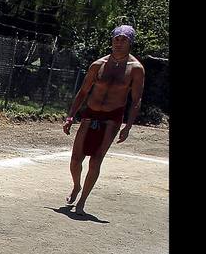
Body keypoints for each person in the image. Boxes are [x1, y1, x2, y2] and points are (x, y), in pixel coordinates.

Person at [62, 25, 144, 215]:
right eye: (116, 39)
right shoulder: (98, 64)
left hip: (112, 117)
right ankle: (76, 186)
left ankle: (82, 201)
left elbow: (136, 100)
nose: (119, 43)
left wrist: (128, 126)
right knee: (76, 159)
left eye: (124, 40)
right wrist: (70, 116)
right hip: (91, 113)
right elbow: (83, 91)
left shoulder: (136, 69)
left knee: (96, 160)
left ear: (130, 42)